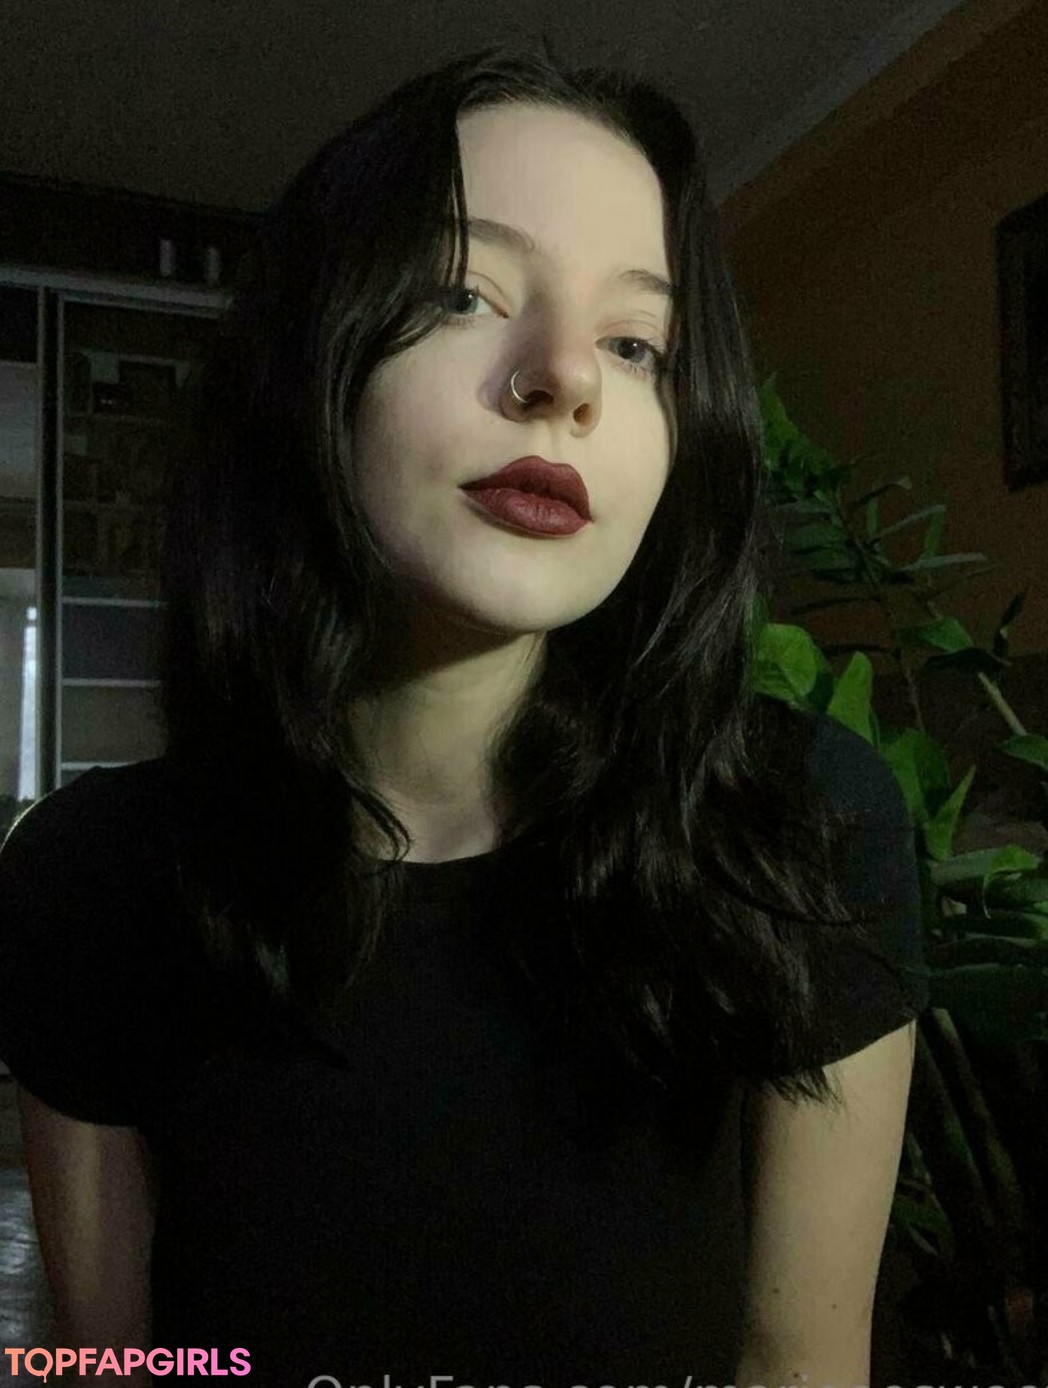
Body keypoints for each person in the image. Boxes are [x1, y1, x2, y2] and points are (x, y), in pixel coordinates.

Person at [0, 42, 929, 1388]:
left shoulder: (801, 833)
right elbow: (127, 1368)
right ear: (312, 364)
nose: (566, 378)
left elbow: (804, 1360)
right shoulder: (92, 883)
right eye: (462, 293)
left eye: (636, 341)